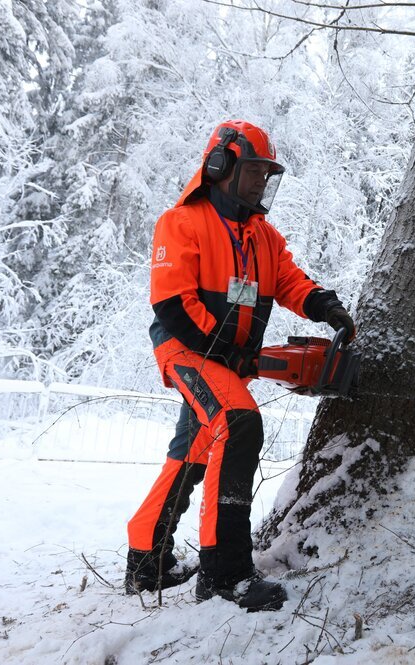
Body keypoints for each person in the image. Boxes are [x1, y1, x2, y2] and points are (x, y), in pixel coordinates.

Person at [124, 120, 355, 612]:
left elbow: (291, 280)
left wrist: (325, 305)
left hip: (227, 363)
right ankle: (224, 573)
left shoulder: (263, 237)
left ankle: (147, 560)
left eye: (266, 173)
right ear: (220, 164)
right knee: (239, 423)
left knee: (193, 450)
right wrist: (224, 349)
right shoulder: (181, 222)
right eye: (252, 170)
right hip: (187, 351)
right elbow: (172, 304)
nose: (259, 181)